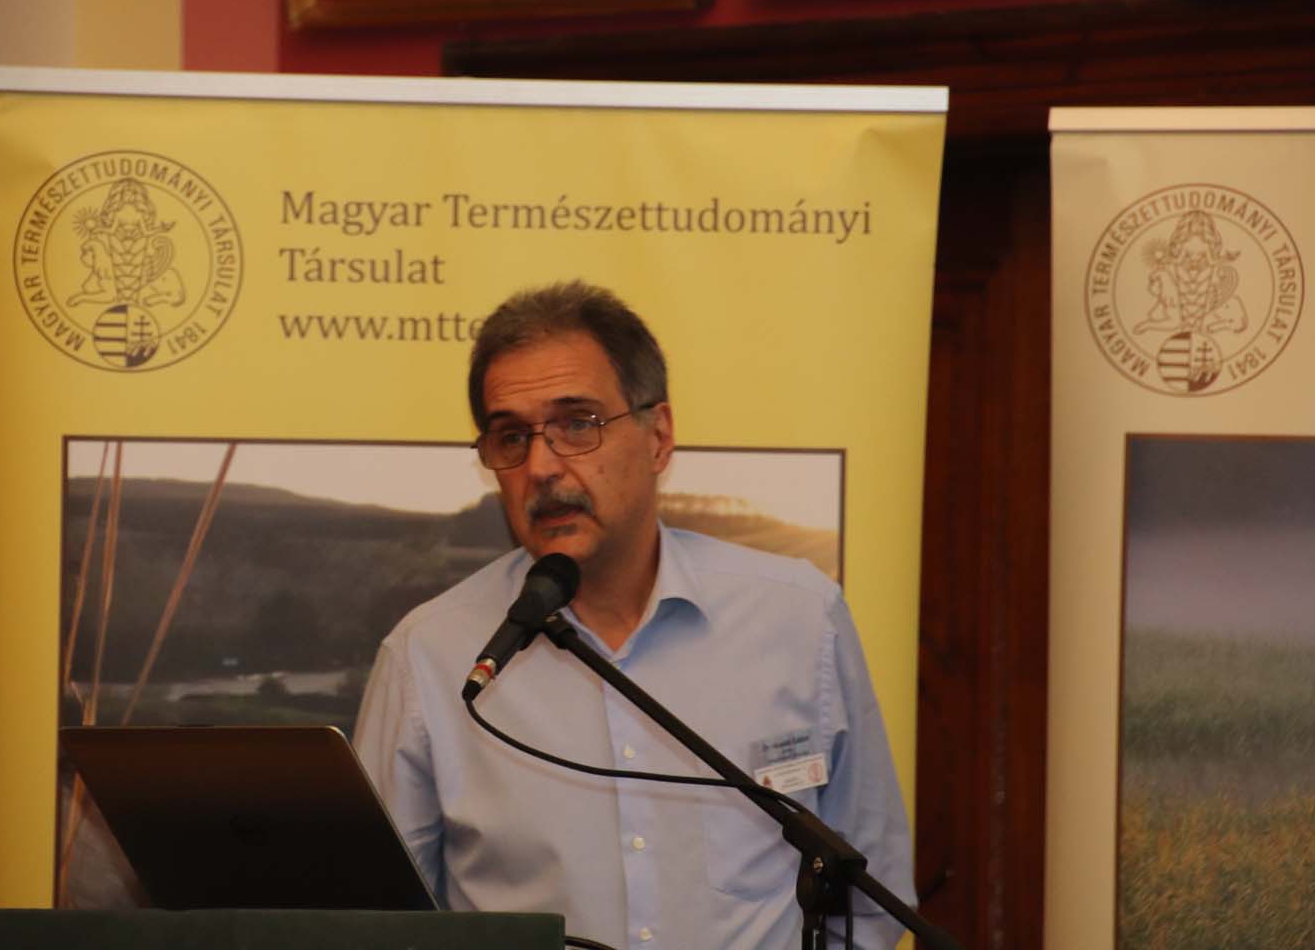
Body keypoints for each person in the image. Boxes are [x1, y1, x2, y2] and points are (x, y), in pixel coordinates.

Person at [354, 281, 913, 949]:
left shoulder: (799, 618)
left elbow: (870, 897)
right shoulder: (428, 657)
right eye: (511, 436)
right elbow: (374, 928)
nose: (541, 466)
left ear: (658, 437)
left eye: (577, 424)